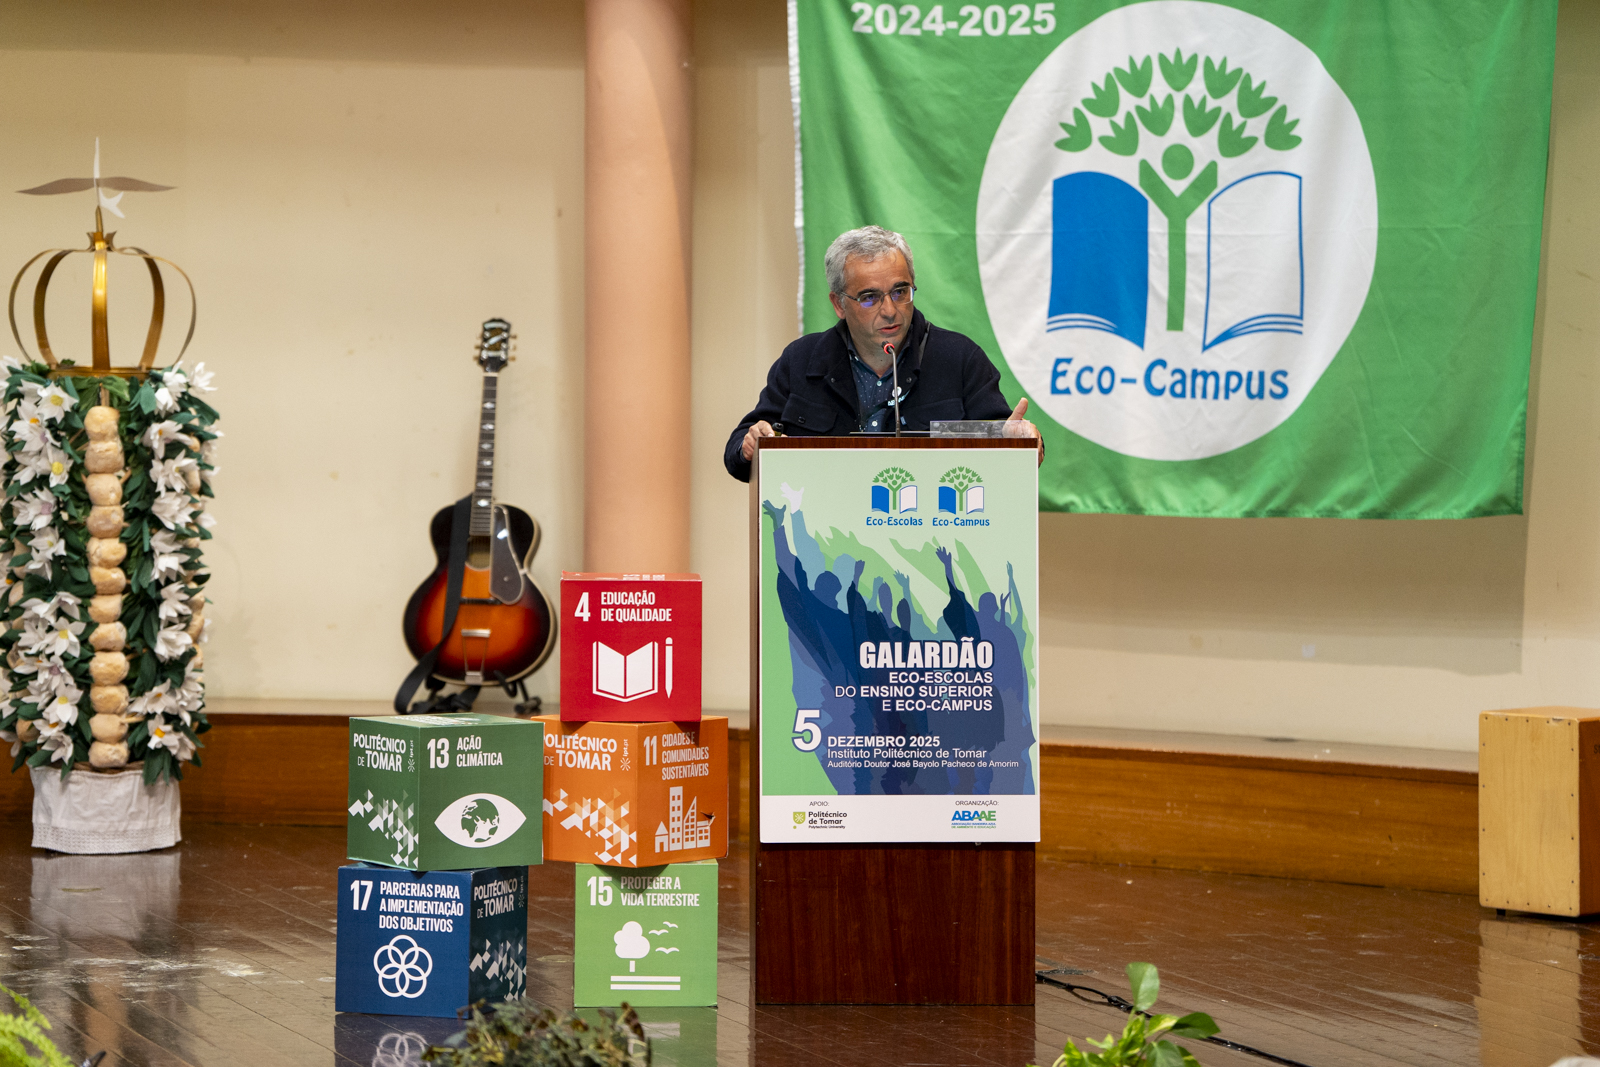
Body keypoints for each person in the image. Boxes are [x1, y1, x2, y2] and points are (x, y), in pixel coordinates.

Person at [723, 225, 1040, 482]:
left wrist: (1015, 441)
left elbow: (996, 436)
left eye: (900, 292)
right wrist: (749, 445)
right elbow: (739, 450)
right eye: (870, 297)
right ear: (839, 304)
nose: (890, 310)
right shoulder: (802, 360)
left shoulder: (959, 358)